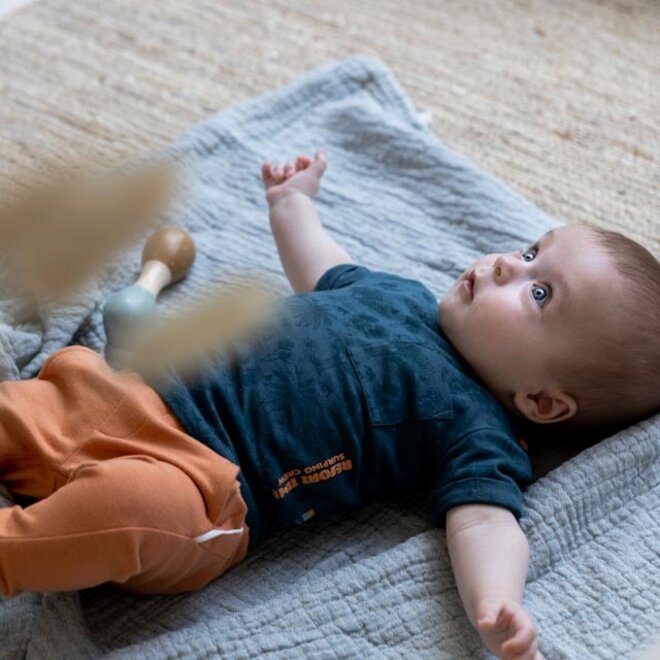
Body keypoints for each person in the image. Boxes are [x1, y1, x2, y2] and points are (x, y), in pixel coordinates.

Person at [1, 150, 658, 660]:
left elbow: (487, 526)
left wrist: (498, 606)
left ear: (543, 401)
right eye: (529, 250)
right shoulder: (399, 296)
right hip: (130, 394)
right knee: (32, 405)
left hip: (203, 484)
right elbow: (323, 267)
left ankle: (15, 551)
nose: (506, 266)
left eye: (541, 294)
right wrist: (292, 205)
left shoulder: (475, 428)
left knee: (133, 513)